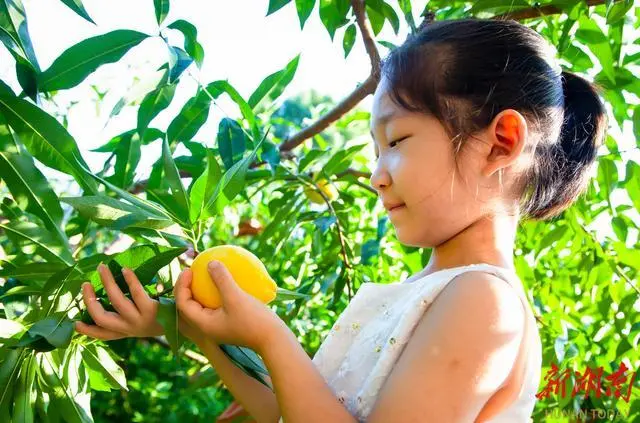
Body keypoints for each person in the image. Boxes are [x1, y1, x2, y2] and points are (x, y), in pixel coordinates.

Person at [75, 17, 608, 423]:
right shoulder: (425, 292)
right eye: (376, 149)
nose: (377, 175)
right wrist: (195, 325)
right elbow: (288, 411)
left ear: (501, 141)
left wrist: (270, 335)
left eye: (396, 141)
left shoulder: (483, 304)